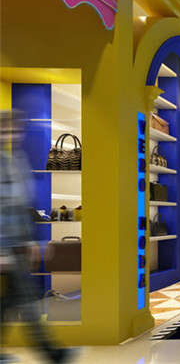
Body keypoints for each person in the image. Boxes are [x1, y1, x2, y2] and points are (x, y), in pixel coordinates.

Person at [0, 110, 76, 363]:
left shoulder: (15, 159)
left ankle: (54, 353)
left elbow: (20, 206)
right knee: (23, 300)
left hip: (17, 244)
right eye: (4, 129)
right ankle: (54, 354)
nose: (9, 134)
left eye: (13, 129)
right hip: (5, 246)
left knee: (16, 300)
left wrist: (30, 241)